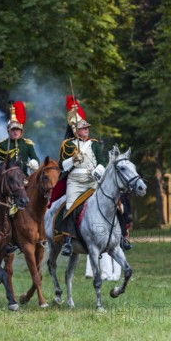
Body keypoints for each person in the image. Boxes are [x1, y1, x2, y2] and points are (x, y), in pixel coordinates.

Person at [58, 95, 106, 256]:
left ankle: (120, 235)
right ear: (75, 130)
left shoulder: (94, 144)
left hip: (92, 179)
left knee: (112, 201)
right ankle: (68, 240)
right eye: (83, 128)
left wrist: (96, 171)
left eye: (87, 128)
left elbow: (102, 163)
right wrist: (72, 160)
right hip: (75, 181)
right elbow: (61, 166)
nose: (86, 130)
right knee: (70, 205)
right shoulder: (67, 145)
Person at [0, 100, 40, 176]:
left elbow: (36, 159)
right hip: (6, 178)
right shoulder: (1, 145)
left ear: (21, 131)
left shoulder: (27, 144)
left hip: (23, 177)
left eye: (17, 130)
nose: (15, 132)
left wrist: (31, 163)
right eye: (13, 130)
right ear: (8, 131)